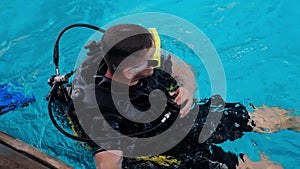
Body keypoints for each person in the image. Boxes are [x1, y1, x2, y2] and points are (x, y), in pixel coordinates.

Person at [70, 24, 299, 169]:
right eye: (153, 58)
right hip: (169, 152)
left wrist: (188, 87)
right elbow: (108, 161)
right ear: (129, 71)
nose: (159, 58)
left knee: (263, 117)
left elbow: (185, 69)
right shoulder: (101, 110)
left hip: (185, 118)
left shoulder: (125, 56)